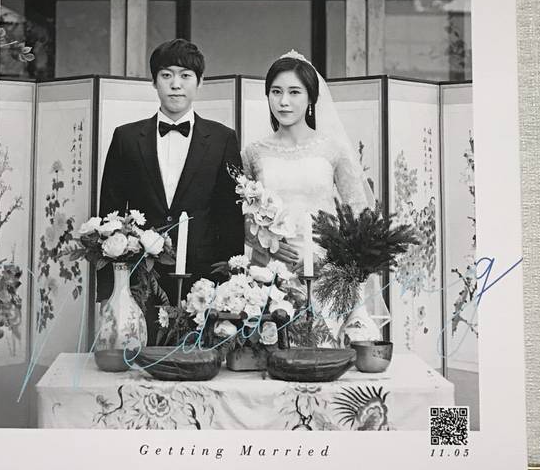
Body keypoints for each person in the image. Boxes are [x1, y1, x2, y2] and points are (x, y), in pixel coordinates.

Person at [240, 51, 388, 345]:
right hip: (270, 272)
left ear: (311, 98)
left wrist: (330, 259)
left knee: (323, 354)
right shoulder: (253, 153)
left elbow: (360, 218)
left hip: (326, 272)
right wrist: (266, 244)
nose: (284, 101)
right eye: (276, 92)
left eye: (294, 92)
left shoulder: (333, 149)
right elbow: (243, 218)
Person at [97, 39, 244, 328]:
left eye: (185, 75)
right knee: (139, 351)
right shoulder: (126, 138)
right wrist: (108, 292)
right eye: (166, 75)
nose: (176, 84)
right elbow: (108, 216)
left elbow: (231, 220)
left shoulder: (222, 139)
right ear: (154, 81)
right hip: (140, 279)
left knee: (198, 352)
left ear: (200, 82)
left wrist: (231, 288)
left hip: (204, 282)